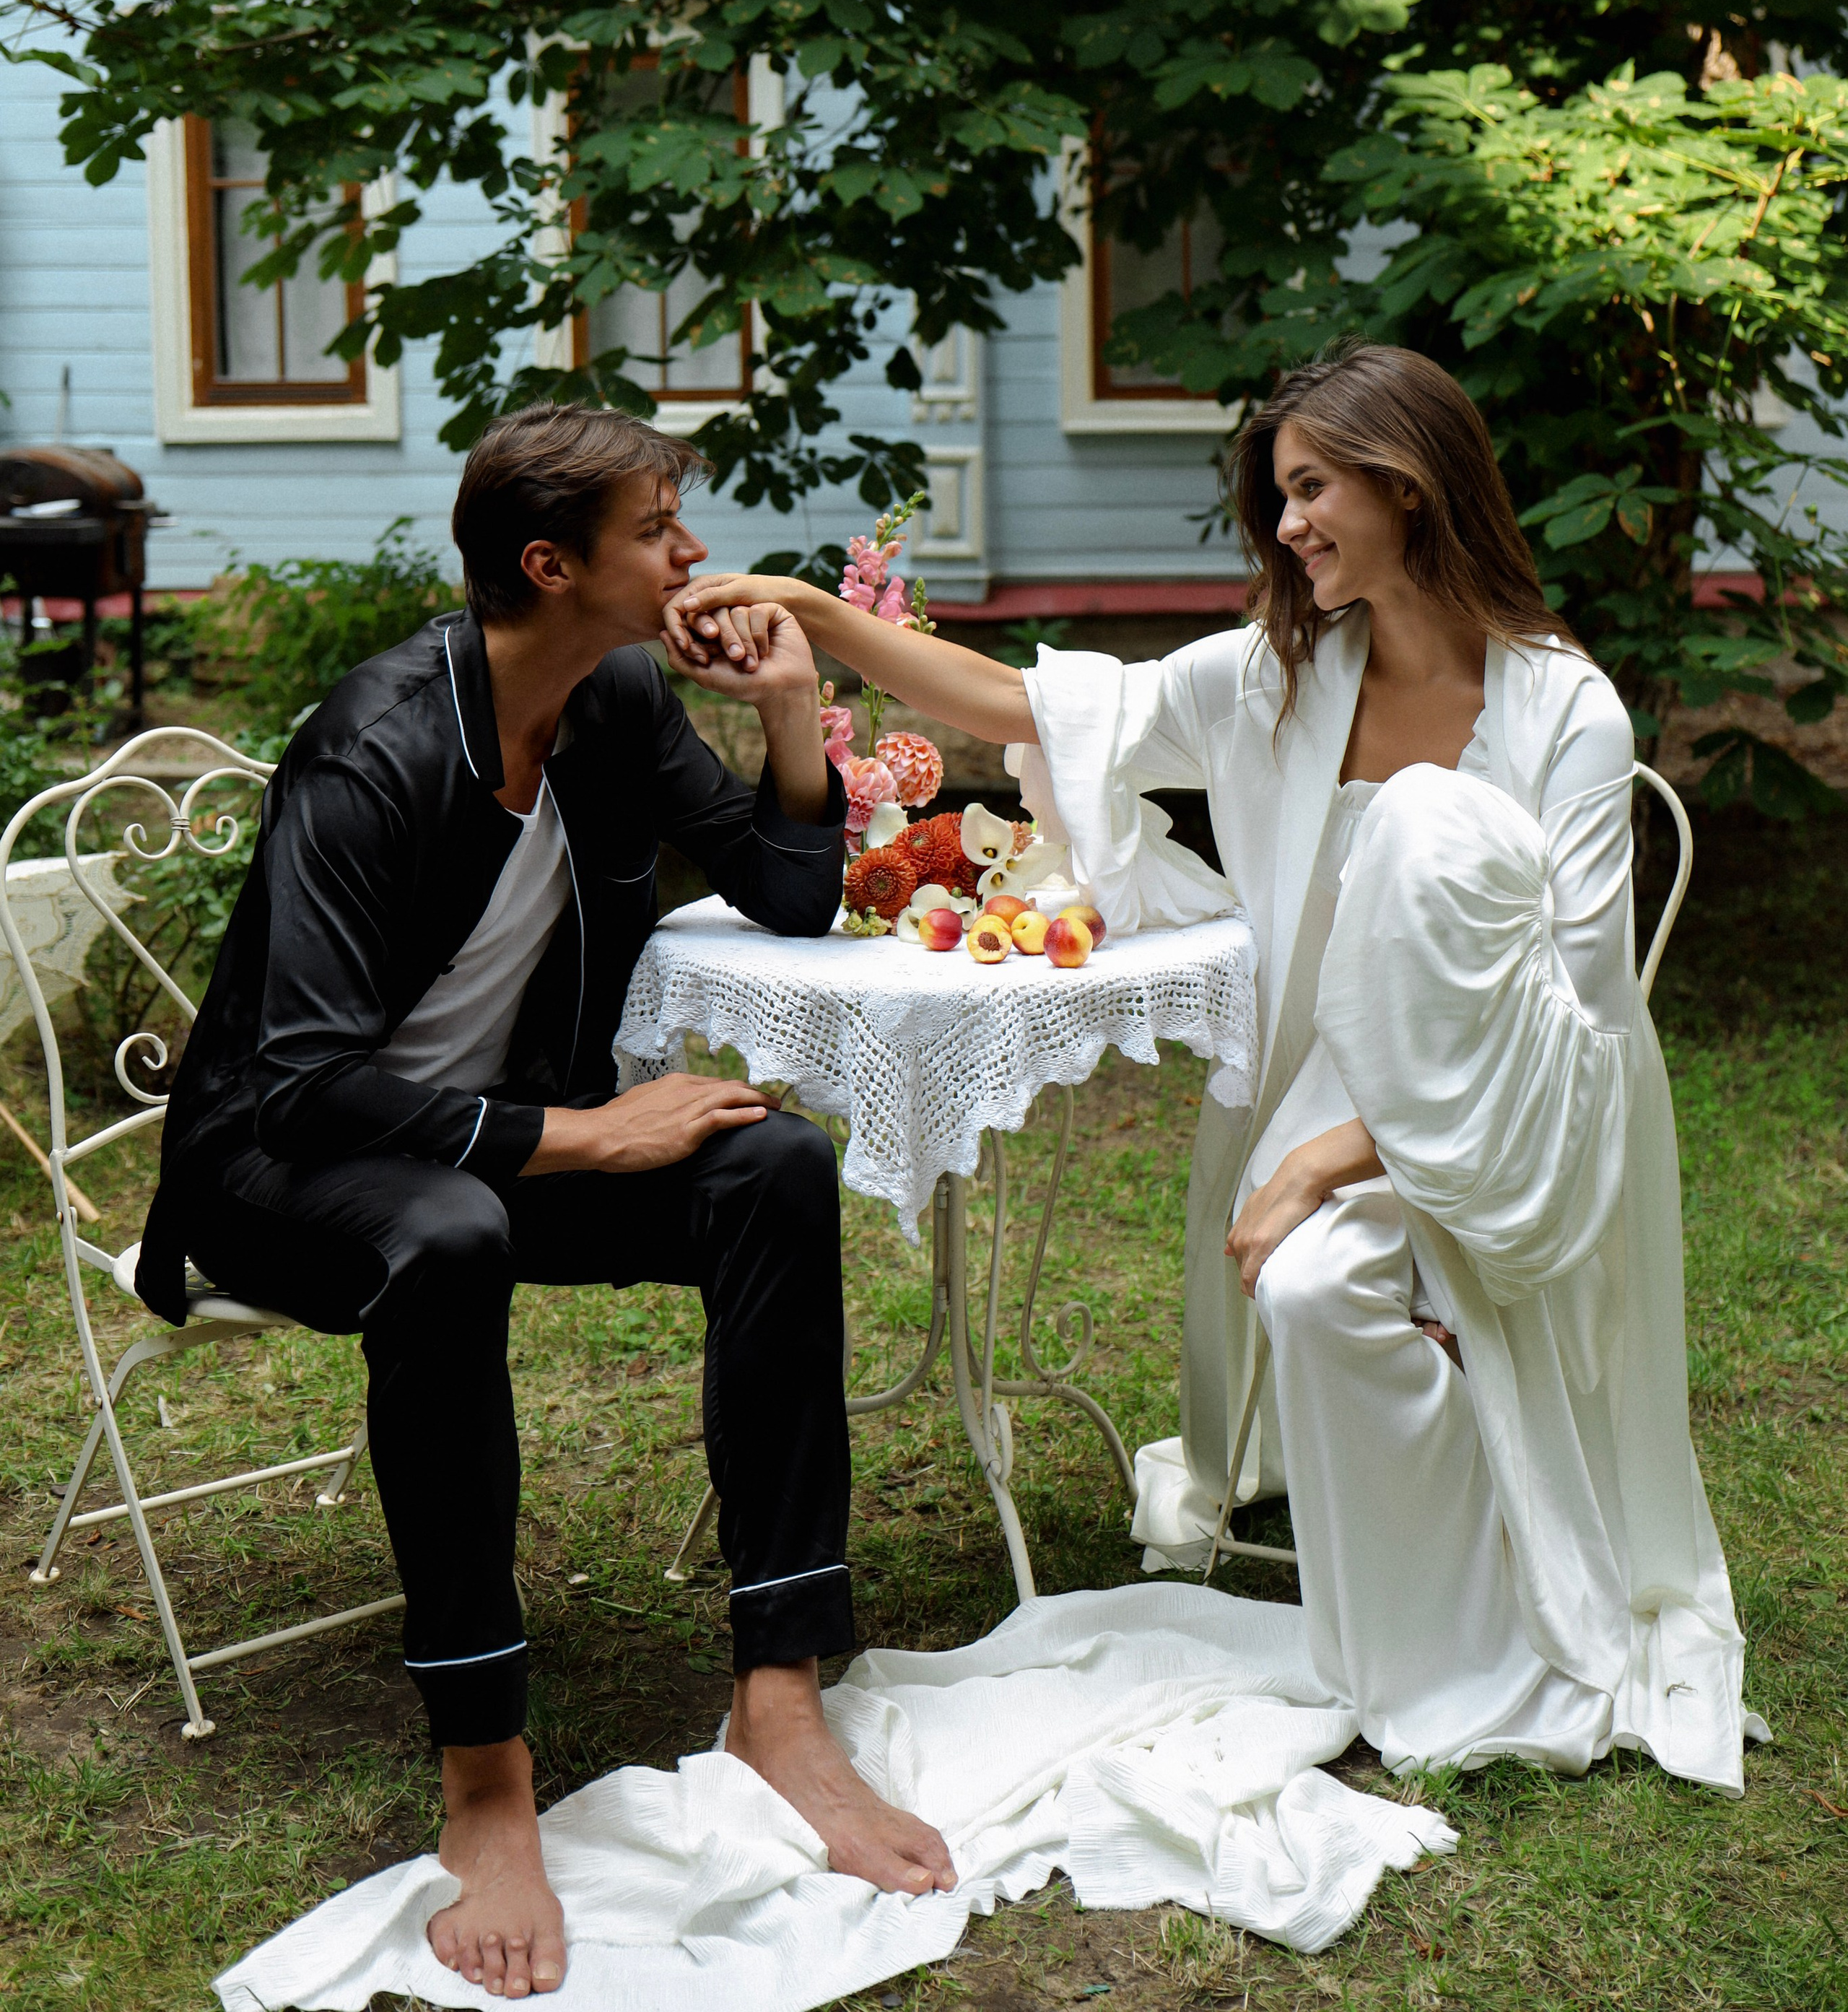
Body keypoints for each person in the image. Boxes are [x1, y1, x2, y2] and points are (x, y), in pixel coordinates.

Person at [664, 341, 1762, 1796]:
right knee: (1310, 1292)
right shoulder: (1280, 677)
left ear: (1408, 481)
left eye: (1310, 489)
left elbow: (1567, 1007)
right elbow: (1015, 708)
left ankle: (1477, 1615)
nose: (1288, 523)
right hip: (1329, 1086)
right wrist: (810, 606)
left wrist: (1320, 1162)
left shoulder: (1564, 712)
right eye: (1280, 495)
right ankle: (1409, 1625)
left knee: (1315, 1277)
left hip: (1524, 1116)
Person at [136, 404, 955, 2006]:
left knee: (769, 1168)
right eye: (660, 529)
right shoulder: (373, 750)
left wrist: (793, 710)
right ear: (548, 563)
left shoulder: (616, 695)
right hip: (277, 1173)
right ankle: (486, 1774)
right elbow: (299, 1083)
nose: (691, 555)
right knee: (454, 1236)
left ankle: (778, 1692)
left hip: (492, 1146)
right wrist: (585, 1139)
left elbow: (790, 892)